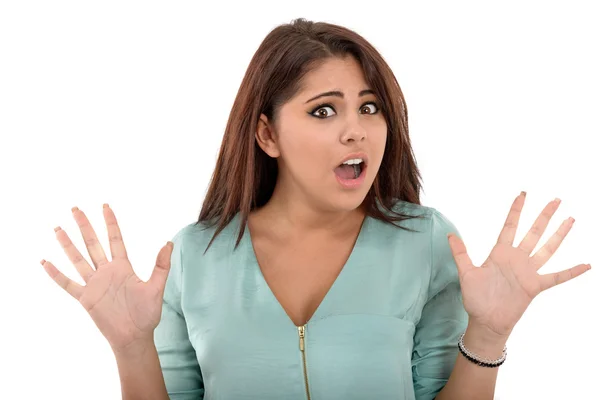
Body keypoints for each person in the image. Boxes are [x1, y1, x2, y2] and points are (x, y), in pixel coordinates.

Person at [41, 18, 592, 400]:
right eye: (324, 111)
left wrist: (489, 336)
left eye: (369, 107)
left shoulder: (425, 241)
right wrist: (131, 347)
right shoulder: (196, 254)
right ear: (267, 133)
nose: (355, 130)